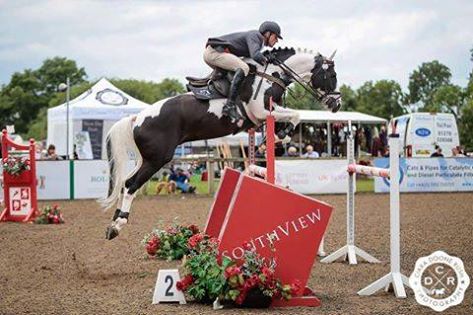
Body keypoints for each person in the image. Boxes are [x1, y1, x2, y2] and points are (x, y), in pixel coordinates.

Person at [204, 21, 283, 122]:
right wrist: (266, 59)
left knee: (243, 68)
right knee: (244, 68)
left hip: (216, 54)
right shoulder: (256, 36)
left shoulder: (257, 42)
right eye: (275, 37)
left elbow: (252, 58)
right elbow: (255, 55)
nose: (276, 41)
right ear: (267, 34)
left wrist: (266, 58)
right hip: (214, 53)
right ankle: (229, 106)